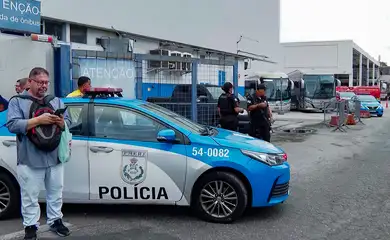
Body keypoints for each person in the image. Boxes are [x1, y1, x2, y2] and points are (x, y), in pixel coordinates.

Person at [6, 67, 72, 240]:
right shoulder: (17, 102)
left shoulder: (56, 101)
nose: (44, 86)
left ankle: (56, 221)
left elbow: (69, 122)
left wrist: (61, 122)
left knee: (56, 192)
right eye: (40, 82)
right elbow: (12, 125)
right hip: (30, 158)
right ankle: (30, 226)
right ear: (30, 82)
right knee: (29, 195)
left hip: (55, 156)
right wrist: (37, 120)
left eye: (46, 82)